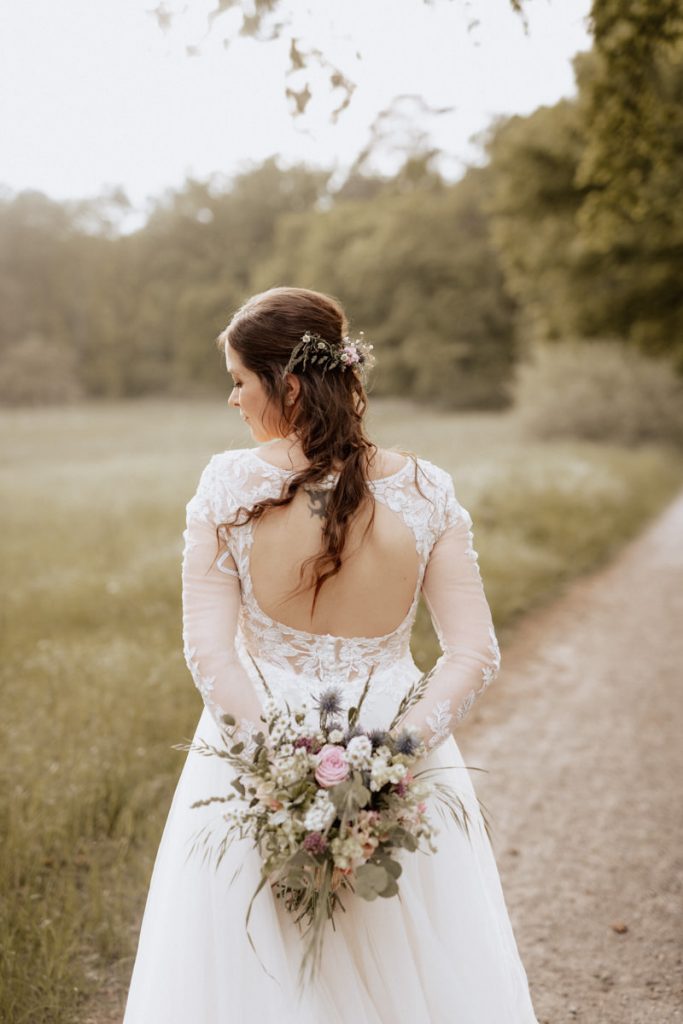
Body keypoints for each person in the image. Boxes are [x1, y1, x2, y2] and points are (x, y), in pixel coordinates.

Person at [122, 286, 539, 1023]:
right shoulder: (427, 490)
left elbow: (209, 654)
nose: (231, 398)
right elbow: (472, 652)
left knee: (260, 974)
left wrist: (286, 775)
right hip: (398, 763)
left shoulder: (227, 484)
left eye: (238, 379)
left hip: (256, 759)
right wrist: (389, 763)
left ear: (284, 383)